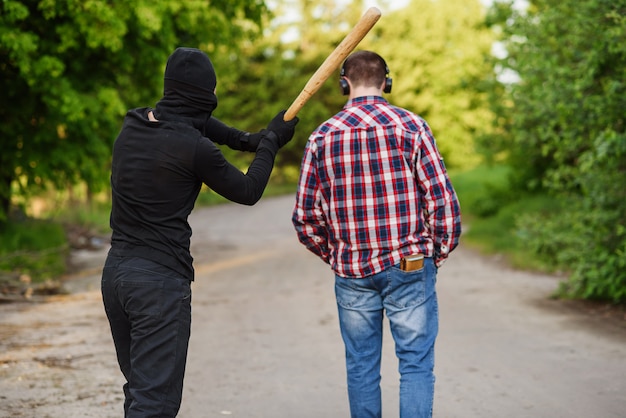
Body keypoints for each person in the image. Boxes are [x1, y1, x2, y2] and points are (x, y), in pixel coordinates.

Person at [101, 47, 299, 417]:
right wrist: (270, 143)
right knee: (154, 404)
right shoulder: (194, 148)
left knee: (141, 393)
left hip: (116, 277)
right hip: (158, 284)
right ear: (206, 97)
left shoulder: (134, 124)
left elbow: (194, 120)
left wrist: (247, 139)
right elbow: (248, 191)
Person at [292, 50, 461, 418]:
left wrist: (338, 254)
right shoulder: (411, 127)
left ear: (343, 84)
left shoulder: (321, 137)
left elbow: (305, 218)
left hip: (352, 271)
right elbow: (442, 201)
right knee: (415, 364)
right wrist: (436, 253)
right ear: (387, 82)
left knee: (361, 367)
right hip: (410, 264)